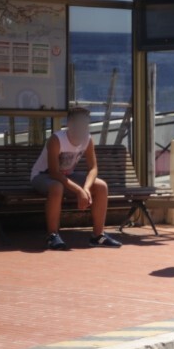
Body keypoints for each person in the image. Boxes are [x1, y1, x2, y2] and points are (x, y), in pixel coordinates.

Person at [30, 106, 119, 250]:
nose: (83, 127)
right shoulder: (56, 139)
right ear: (70, 123)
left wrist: (86, 188)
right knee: (56, 187)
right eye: (79, 123)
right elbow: (54, 173)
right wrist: (79, 191)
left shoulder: (88, 140)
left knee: (101, 186)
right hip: (42, 176)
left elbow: (93, 168)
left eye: (86, 124)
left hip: (67, 175)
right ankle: (52, 235)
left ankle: (98, 236)